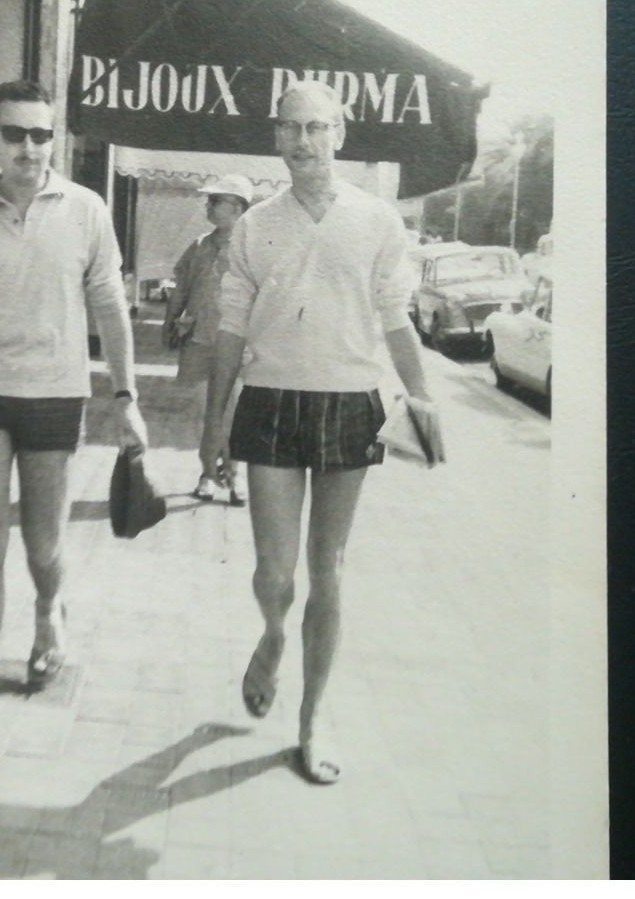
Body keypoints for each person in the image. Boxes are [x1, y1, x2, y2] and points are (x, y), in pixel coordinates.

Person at [200, 79, 446, 786]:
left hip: (349, 403)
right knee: (277, 577)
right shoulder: (254, 225)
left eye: (317, 128)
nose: (304, 142)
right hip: (269, 401)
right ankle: (273, 636)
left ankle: (310, 721)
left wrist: (423, 398)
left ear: (340, 134)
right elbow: (229, 328)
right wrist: (214, 421)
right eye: (291, 129)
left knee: (328, 570)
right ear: (275, 137)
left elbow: (396, 315)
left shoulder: (376, 220)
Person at [0, 80, 148, 762]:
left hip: (54, 396)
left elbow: (111, 307)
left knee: (43, 548)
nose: (28, 147)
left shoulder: (86, 209)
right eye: (13, 133)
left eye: (40, 134)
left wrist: (126, 399)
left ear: (55, 137)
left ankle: (50, 613)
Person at [163, 174, 254, 505]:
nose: (209, 206)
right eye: (210, 201)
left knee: (232, 415)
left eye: (217, 201)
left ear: (239, 208)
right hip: (199, 342)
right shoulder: (200, 245)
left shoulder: (254, 248)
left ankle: (234, 475)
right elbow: (181, 289)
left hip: (238, 347)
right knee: (208, 413)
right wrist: (170, 323)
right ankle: (208, 474)